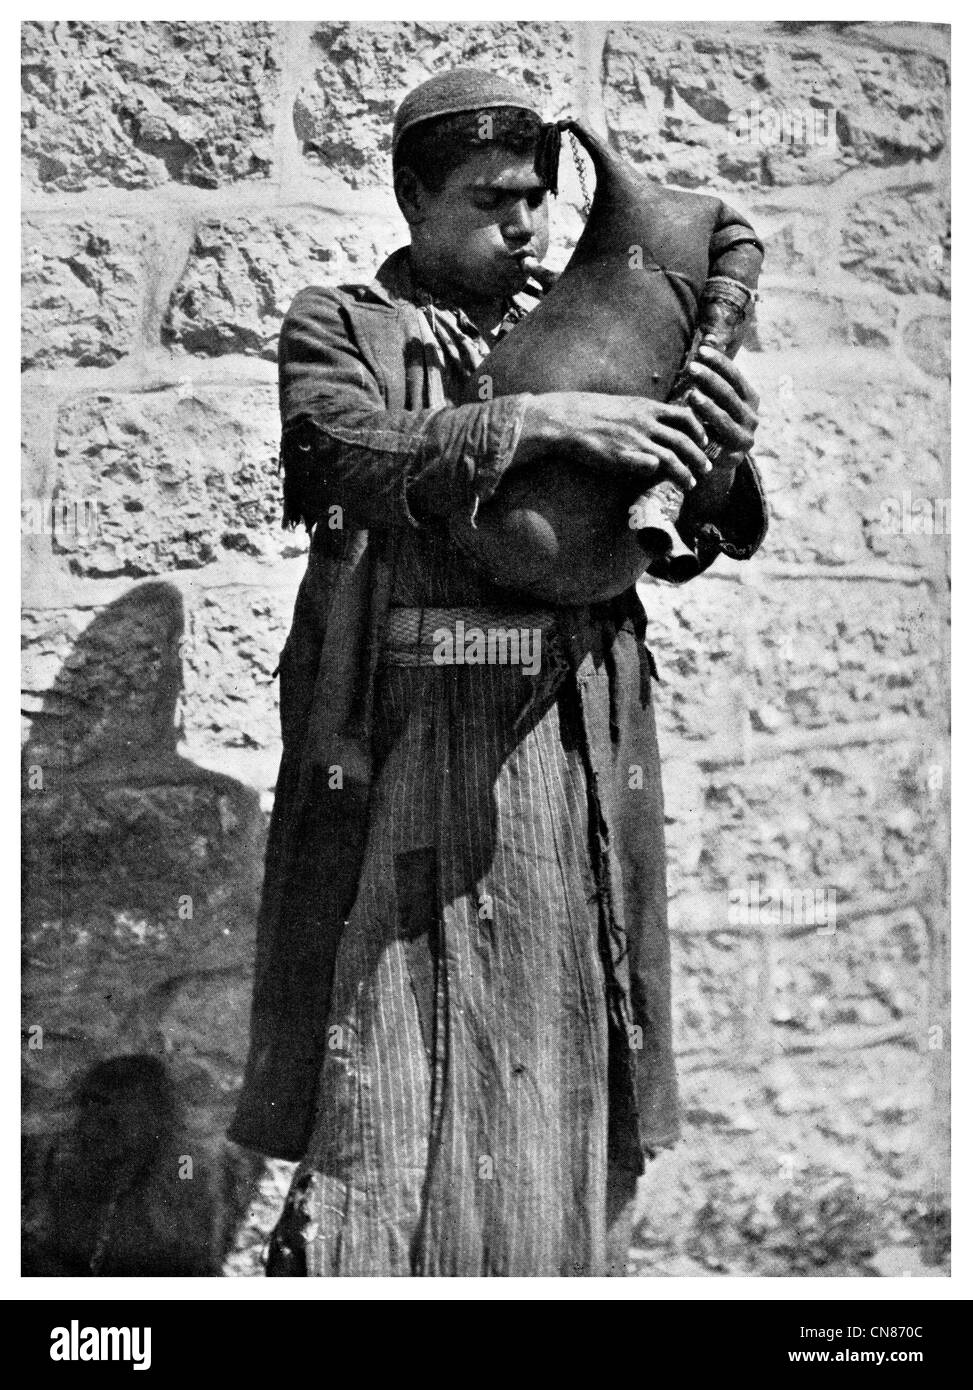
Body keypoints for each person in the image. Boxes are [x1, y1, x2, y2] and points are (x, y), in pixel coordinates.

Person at [228, 68, 767, 1277]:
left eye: (534, 197)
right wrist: (546, 423)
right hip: (403, 737)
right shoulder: (343, 325)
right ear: (412, 198)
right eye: (487, 199)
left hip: (565, 742)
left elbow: (681, 530)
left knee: (565, 1027)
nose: (522, 225)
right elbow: (337, 455)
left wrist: (715, 448)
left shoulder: (592, 319)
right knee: (387, 1046)